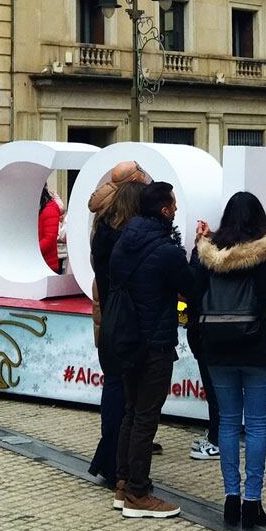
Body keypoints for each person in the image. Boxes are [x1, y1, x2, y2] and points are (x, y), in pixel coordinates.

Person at [189, 192, 266, 527]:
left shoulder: (206, 254)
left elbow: (191, 291)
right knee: (256, 425)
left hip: (218, 350)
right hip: (259, 348)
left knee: (227, 423)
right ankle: (252, 502)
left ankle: (230, 499)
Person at [108, 180, 197, 518]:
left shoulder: (122, 242)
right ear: (164, 210)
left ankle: (122, 483)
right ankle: (138, 494)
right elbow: (190, 287)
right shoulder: (166, 251)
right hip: (155, 344)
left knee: (131, 412)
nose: (175, 210)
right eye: (172, 205)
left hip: (127, 340)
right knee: (146, 416)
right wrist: (197, 254)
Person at [88, 164, 150, 487]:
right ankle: (115, 463)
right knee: (122, 391)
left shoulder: (101, 226)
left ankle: (112, 456)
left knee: (114, 388)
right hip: (123, 319)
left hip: (107, 315)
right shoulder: (126, 236)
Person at [38, 185, 64, 274]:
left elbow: (49, 238)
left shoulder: (49, 209)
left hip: (47, 263)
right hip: (40, 261)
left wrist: (33, 250)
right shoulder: (41, 209)